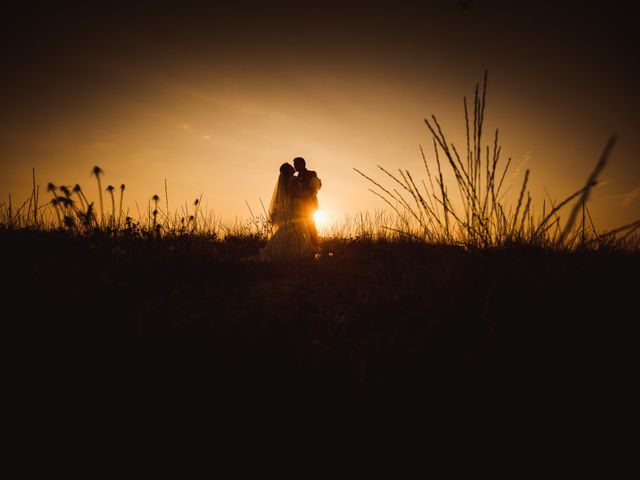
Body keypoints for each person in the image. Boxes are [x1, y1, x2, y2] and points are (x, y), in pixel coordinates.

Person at [258, 162, 315, 261]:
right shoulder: (293, 180)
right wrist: (312, 191)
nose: (294, 167)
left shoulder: (286, 181)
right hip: (296, 206)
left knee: (292, 229)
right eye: (292, 166)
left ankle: (290, 249)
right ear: (289, 170)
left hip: (292, 207)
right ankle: (296, 250)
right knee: (298, 228)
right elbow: (296, 193)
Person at [293, 156, 322, 247]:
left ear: (302, 164)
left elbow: (314, 188)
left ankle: (315, 245)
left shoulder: (312, 173)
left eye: (296, 164)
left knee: (311, 225)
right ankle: (304, 246)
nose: (295, 166)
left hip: (310, 204)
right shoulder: (296, 177)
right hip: (299, 206)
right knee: (300, 227)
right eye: (294, 164)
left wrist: (306, 197)